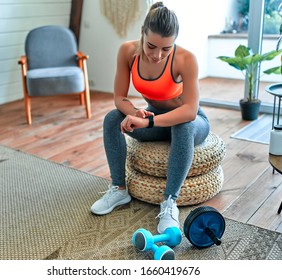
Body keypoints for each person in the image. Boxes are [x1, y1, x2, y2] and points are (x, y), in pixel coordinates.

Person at [90, 2, 210, 234]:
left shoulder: (186, 59)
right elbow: (119, 98)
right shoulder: (127, 52)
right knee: (112, 118)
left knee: (183, 124)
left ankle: (169, 203)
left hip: (192, 123)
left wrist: (149, 121)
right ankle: (119, 189)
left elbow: (189, 111)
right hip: (154, 118)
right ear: (143, 33)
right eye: (151, 46)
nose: (157, 55)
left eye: (166, 48)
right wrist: (135, 113)